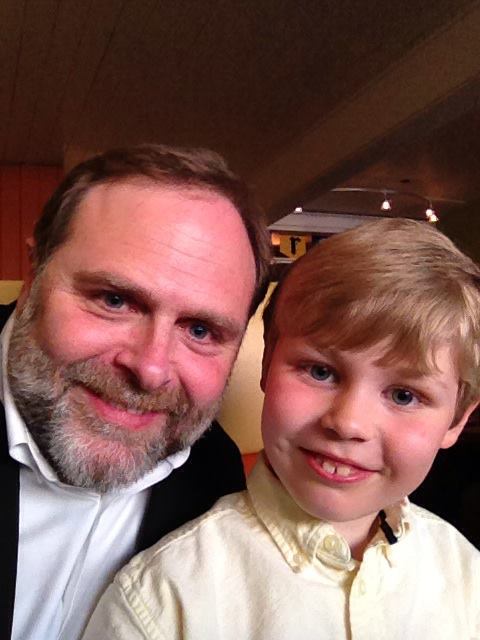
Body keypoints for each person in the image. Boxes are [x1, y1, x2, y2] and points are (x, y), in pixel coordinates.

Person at [84, 218, 480, 640]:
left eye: (404, 395)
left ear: (457, 419)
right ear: (267, 363)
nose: (348, 423)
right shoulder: (163, 598)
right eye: (320, 372)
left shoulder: (466, 573)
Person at [0, 143, 271, 640]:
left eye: (201, 330)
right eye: (114, 300)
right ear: (34, 277)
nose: (150, 370)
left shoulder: (216, 477)